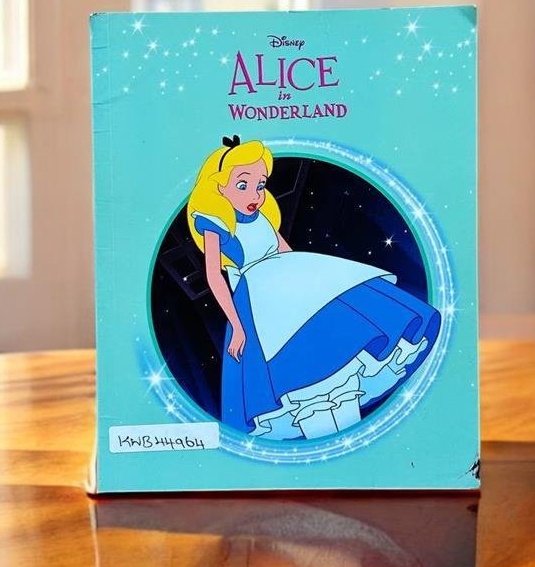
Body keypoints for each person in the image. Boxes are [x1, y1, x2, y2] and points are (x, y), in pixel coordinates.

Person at [186, 135, 441, 441]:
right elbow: (214, 276)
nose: (254, 194)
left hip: (291, 281)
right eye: (243, 184)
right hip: (260, 301)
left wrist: (316, 281)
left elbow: (285, 251)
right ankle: (330, 444)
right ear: (219, 187)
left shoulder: (262, 215)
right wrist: (239, 327)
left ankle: (346, 444)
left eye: (260, 185)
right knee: (297, 380)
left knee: (344, 352)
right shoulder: (214, 223)